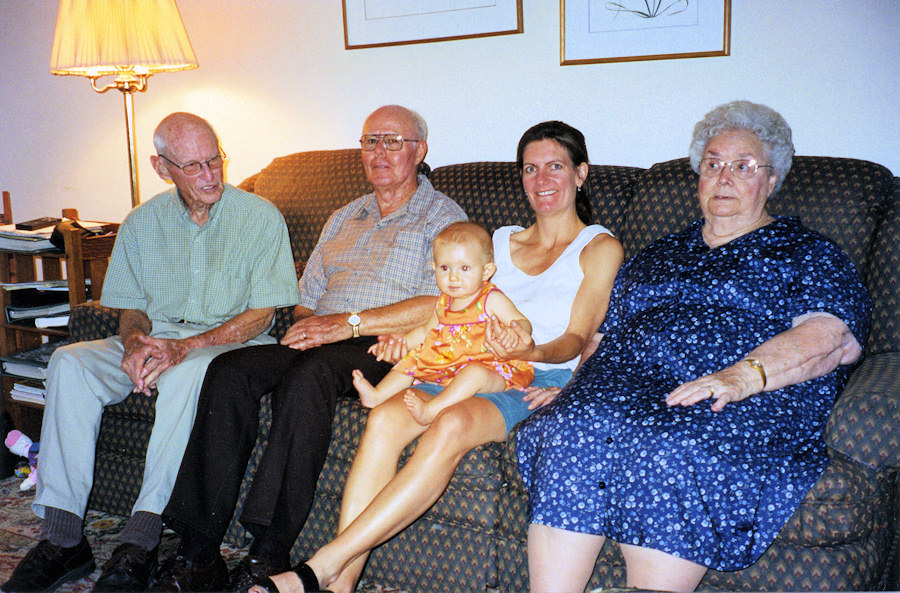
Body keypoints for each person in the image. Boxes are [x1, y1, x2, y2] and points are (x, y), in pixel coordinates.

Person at [247, 120, 625, 593]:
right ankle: (341, 587)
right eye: (530, 168)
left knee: (448, 425)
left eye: (555, 166)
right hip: (456, 362)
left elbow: (577, 336)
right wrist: (406, 341)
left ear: (580, 173)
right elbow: (447, 306)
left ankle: (321, 567)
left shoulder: (600, 246)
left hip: (528, 372)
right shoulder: (500, 240)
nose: (542, 179)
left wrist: (531, 348)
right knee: (383, 416)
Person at [516, 101, 872, 593]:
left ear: (772, 180)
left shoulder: (806, 252)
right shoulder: (659, 252)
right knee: (570, 427)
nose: (723, 177)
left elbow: (832, 338)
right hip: (627, 385)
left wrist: (742, 376)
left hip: (736, 392)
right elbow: (604, 334)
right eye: (712, 164)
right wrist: (577, 387)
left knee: (667, 444)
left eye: (742, 166)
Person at [154, 105, 467, 591]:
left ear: (419, 151)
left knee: (310, 374)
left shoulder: (443, 217)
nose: (378, 152)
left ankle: (268, 552)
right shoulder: (345, 215)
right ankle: (199, 553)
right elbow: (308, 296)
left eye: (392, 141)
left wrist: (346, 325)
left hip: (383, 346)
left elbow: (442, 301)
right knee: (230, 371)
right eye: (369, 141)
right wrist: (305, 325)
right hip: (323, 336)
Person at [0, 112, 300, 593]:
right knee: (69, 361)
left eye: (214, 160)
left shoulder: (260, 217)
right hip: (158, 337)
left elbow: (262, 316)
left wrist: (185, 347)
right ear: (163, 169)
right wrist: (135, 345)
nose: (210, 176)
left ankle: (141, 538)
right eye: (194, 166)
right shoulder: (141, 222)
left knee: (184, 374)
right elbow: (132, 309)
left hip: (229, 343)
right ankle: (62, 538)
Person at [352, 220, 534, 425]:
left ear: (486, 271)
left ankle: (432, 410)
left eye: (464, 268)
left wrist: (514, 332)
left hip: (491, 368)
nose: (453, 277)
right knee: (413, 358)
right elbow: (424, 331)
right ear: (434, 267)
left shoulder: (490, 299)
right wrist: (399, 344)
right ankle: (377, 395)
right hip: (450, 364)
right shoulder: (443, 302)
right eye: (445, 268)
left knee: (473, 373)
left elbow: (522, 321)